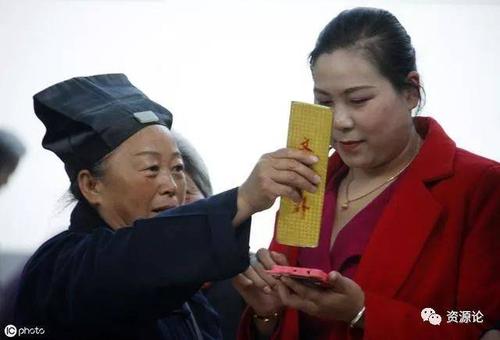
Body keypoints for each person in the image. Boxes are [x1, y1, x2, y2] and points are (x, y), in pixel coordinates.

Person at [234, 7, 500, 340]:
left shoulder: (478, 186)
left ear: (411, 92)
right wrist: (267, 313)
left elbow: (475, 321)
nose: (340, 121)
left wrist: (364, 313)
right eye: (325, 102)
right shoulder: (308, 179)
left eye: (358, 100)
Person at [11, 73, 321, 339]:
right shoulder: (61, 267)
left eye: (177, 168)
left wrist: (263, 318)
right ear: (92, 186)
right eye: (151, 169)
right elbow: (133, 259)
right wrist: (244, 199)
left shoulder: (190, 301)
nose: (173, 186)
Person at [173, 131, 247, 340]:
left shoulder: (245, 275)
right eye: (168, 195)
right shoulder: (135, 287)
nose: (177, 208)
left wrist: (266, 317)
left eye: (187, 194)